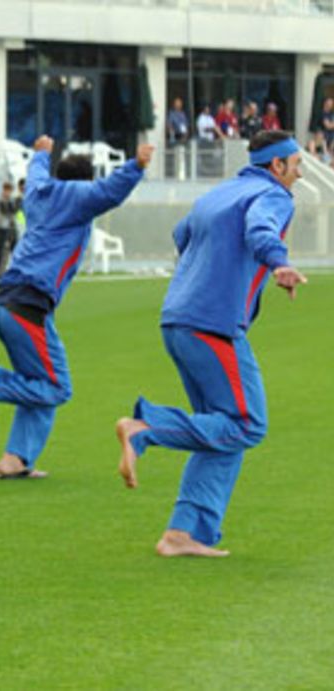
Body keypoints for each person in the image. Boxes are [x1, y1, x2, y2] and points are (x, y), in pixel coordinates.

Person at [115, 131, 306, 558]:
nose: (299, 172)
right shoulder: (274, 195)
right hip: (213, 324)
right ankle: (145, 429)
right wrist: (280, 263)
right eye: (295, 164)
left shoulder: (220, 193)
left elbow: (181, 234)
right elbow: (260, 229)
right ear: (276, 165)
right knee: (246, 423)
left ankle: (184, 532)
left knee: (221, 429)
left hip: (178, 318)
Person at [0, 136, 153, 479]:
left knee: (39, 383)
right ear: (84, 180)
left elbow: (35, 172)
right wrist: (135, 166)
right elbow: (109, 191)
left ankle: (16, 459)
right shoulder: (76, 196)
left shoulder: (37, 192)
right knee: (57, 386)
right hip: (28, 306)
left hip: (7, 302)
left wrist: (41, 153)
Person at [0, 181, 19, 279]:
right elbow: (0, 211)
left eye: (9, 191)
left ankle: (12, 271)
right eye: (6, 190)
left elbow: (13, 212)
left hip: (10, 228)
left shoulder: (12, 200)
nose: (8, 193)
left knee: (13, 250)